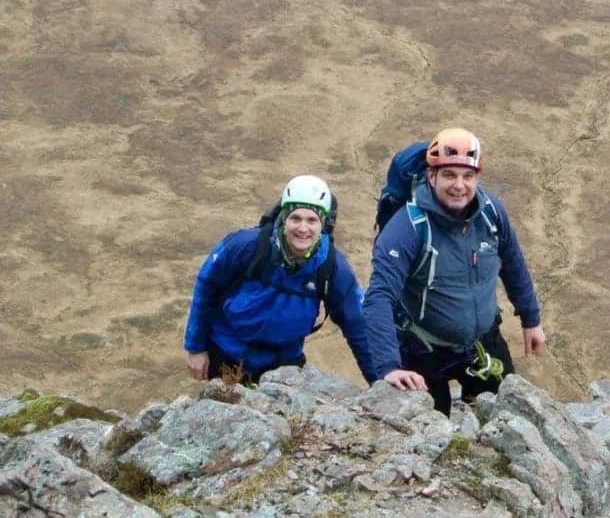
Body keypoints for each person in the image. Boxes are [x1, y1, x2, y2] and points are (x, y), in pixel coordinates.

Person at [363, 127, 546, 414]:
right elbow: (378, 297)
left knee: (509, 418)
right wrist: (389, 367)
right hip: (421, 350)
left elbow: (512, 261)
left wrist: (531, 319)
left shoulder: (491, 213)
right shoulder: (407, 227)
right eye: (449, 175)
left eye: (468, 176)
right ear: (431, 176)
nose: (459, 185)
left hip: (482, 344)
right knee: (429, 439)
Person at [183, 174, 378, 385]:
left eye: (312, 220)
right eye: (296, 218)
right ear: (284, 218)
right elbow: (206, 287)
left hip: (283, 365)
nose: (303, 229)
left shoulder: (332, 268)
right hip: (225, 355)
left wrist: (379, 383)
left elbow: (358, 326)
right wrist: (196, 348)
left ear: (323, 224)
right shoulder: (246, 246)